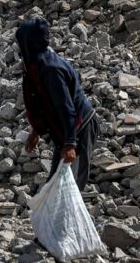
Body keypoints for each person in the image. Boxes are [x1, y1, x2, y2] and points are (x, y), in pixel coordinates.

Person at [16, 17, 99, 190]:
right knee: (56, 185)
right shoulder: (37, 65)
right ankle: (58, 217)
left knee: (71, 186)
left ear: (29, 42)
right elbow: (45, 103)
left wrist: (70, 144)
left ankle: (70, 217)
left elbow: (65, 106)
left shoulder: (50, 69)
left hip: (80, 129)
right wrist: (35, 131)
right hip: (66, 131)